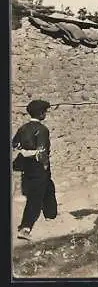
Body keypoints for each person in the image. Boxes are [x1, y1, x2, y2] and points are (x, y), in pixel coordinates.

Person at [12, 100, 57, 240]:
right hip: (39, 167)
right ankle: (25, 227)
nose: (46, 114)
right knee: (34, 199)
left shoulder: (23, 128)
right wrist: (44, 166)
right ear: (41, 113)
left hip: (28, 167)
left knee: (49, 187)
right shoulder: (42, 130)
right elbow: (42, 151)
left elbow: (15, 145)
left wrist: (25, 152)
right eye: (45, 112)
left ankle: (50, 214)